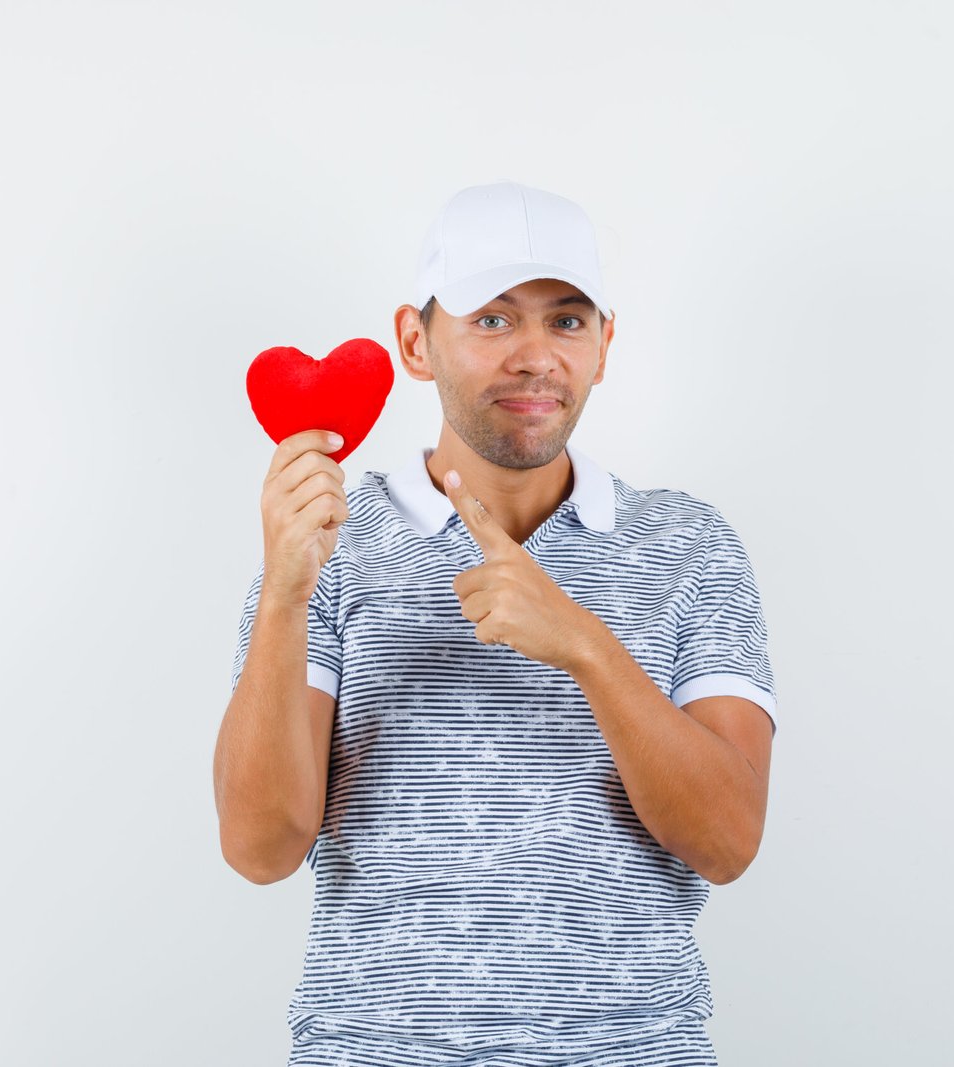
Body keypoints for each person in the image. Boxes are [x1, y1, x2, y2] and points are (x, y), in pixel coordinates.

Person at [213, 180, 778, 1067]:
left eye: (566, 320)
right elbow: (259, 847)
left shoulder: (689, 546)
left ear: (604, 346)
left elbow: (727, 841)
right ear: (416, 341)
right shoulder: (328, 547)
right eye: (491, 320)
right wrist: (285, 593)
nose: (534, 356)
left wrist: (583, 642)